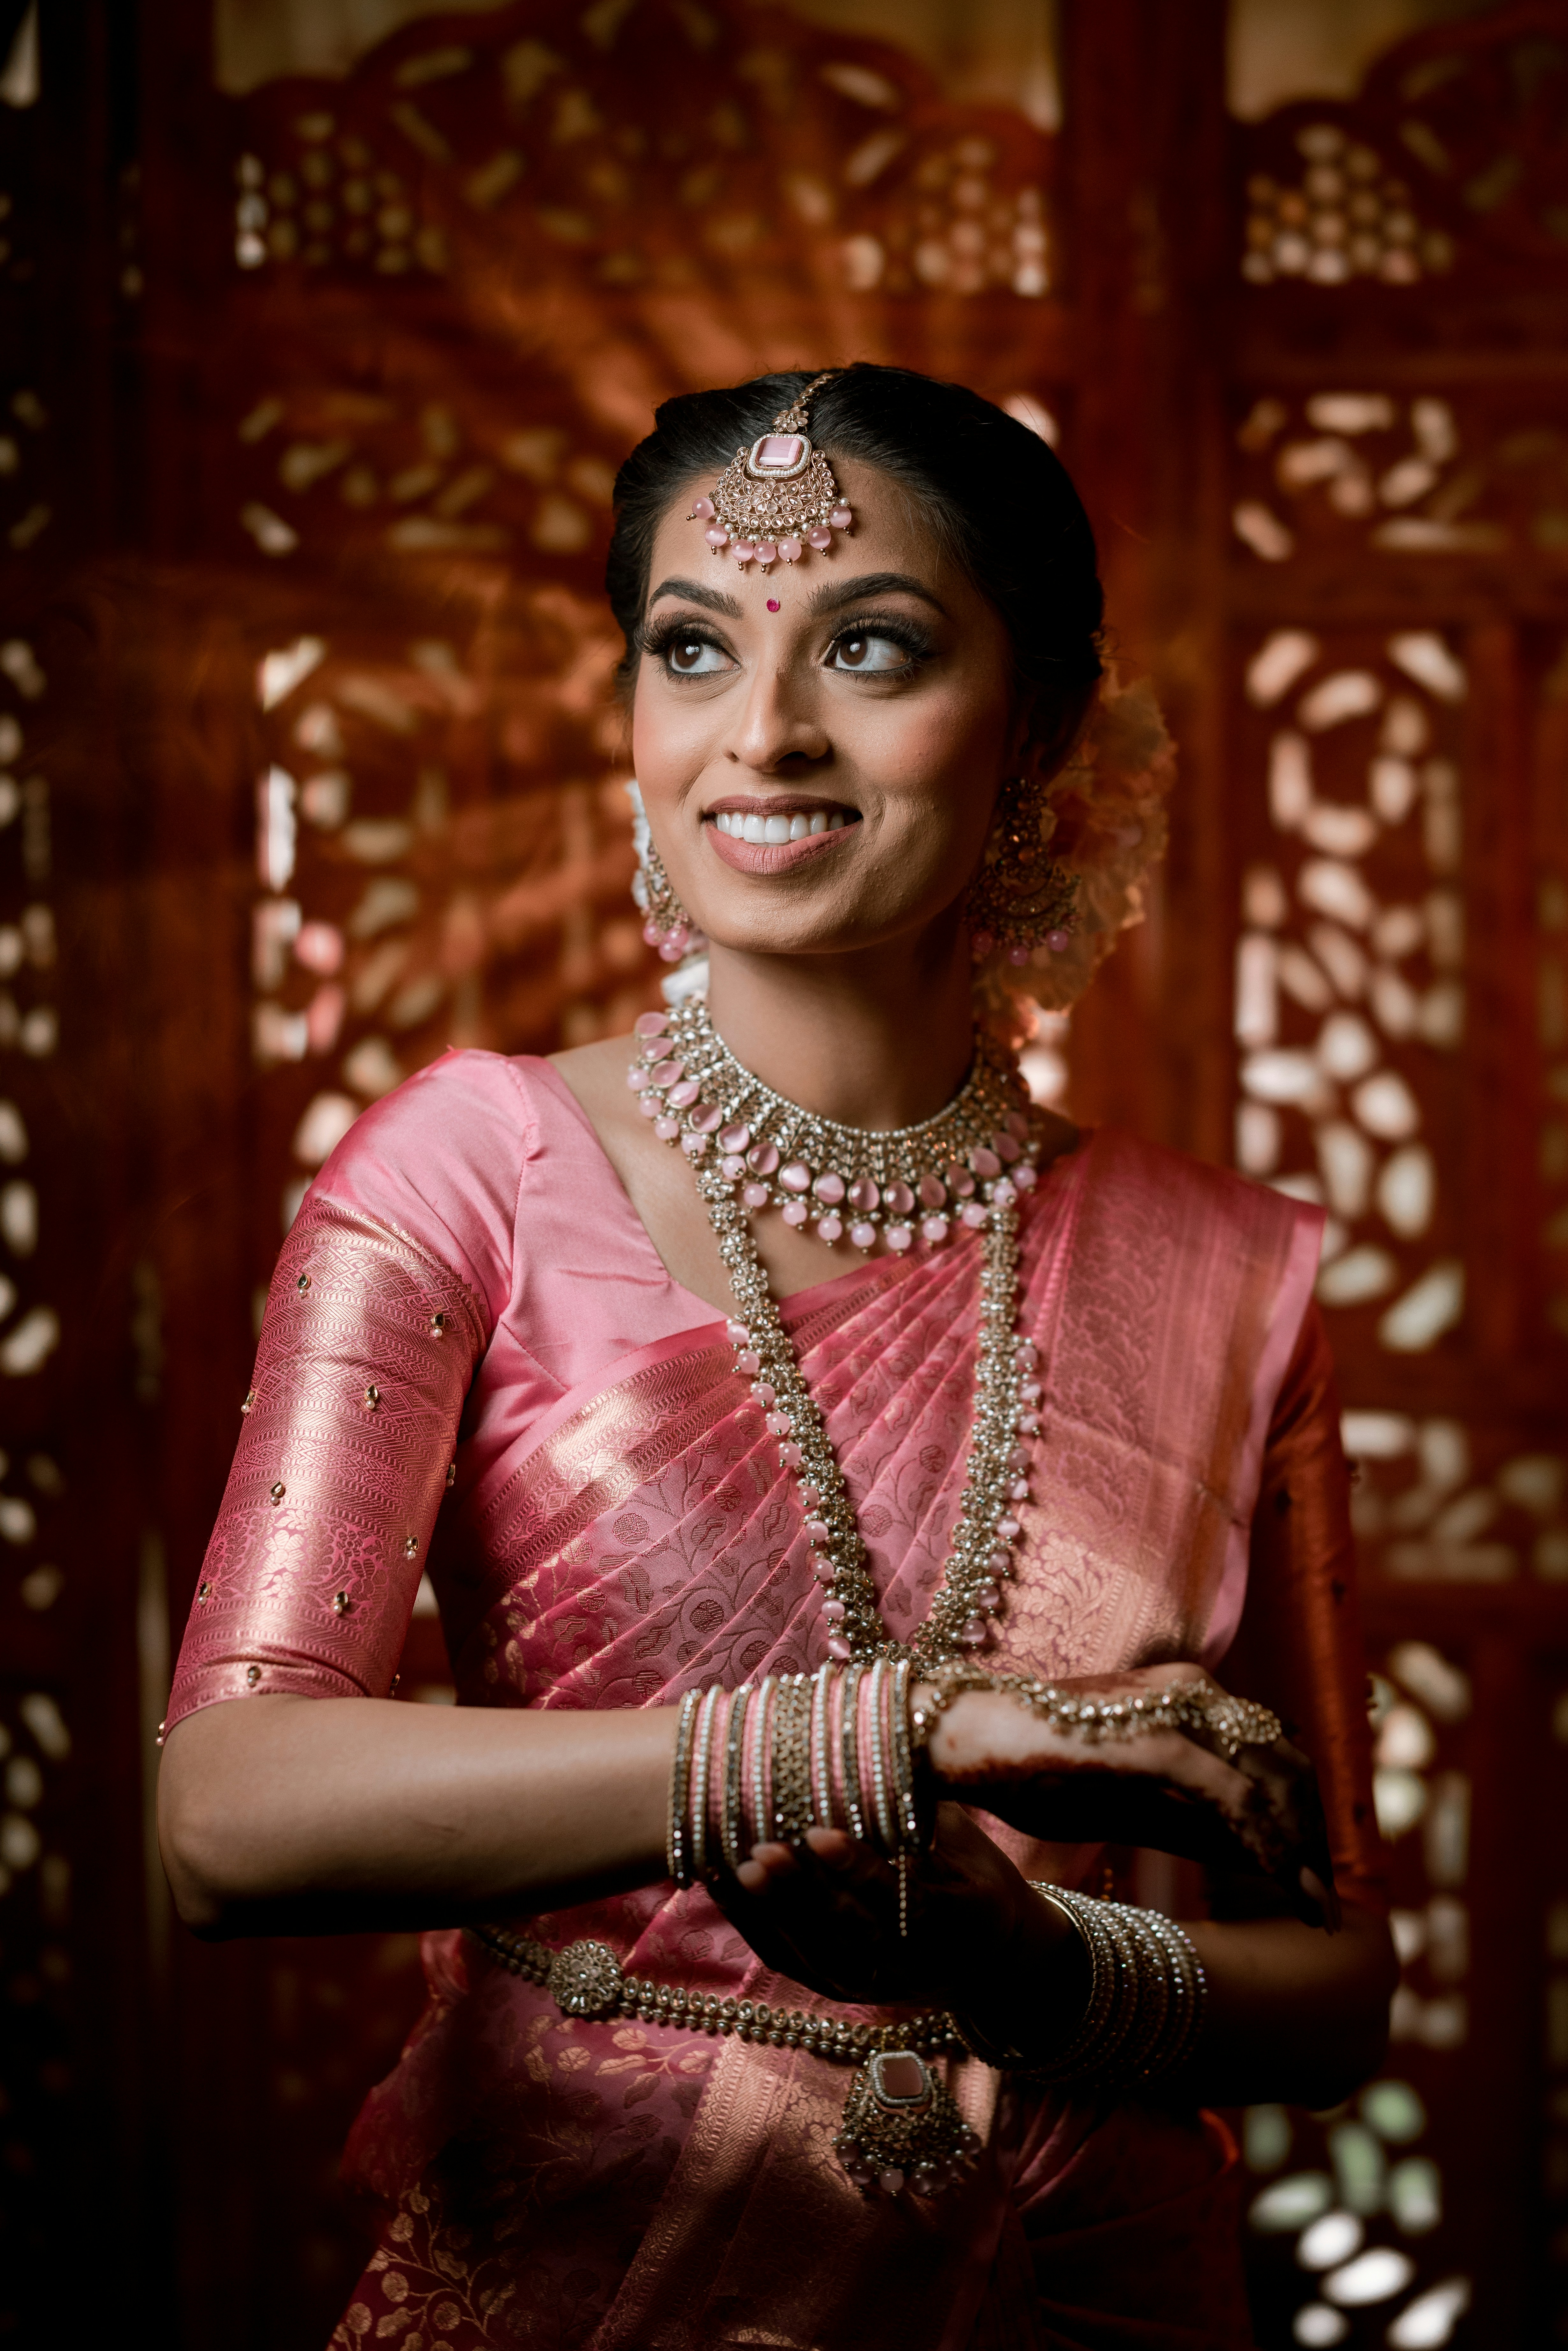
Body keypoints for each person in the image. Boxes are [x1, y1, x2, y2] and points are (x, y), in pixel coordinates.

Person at [159, 364, 1395, 2351]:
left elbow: (1334, 1985)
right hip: (589, 2270)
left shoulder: (1221, 1268)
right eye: (693, 648)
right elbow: (226, 1809)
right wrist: (890, 1734)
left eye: (872, 646)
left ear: (1042, 729)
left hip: (1084, 2286)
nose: (765, 732)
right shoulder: (475, 1167)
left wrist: (1041, 1967)